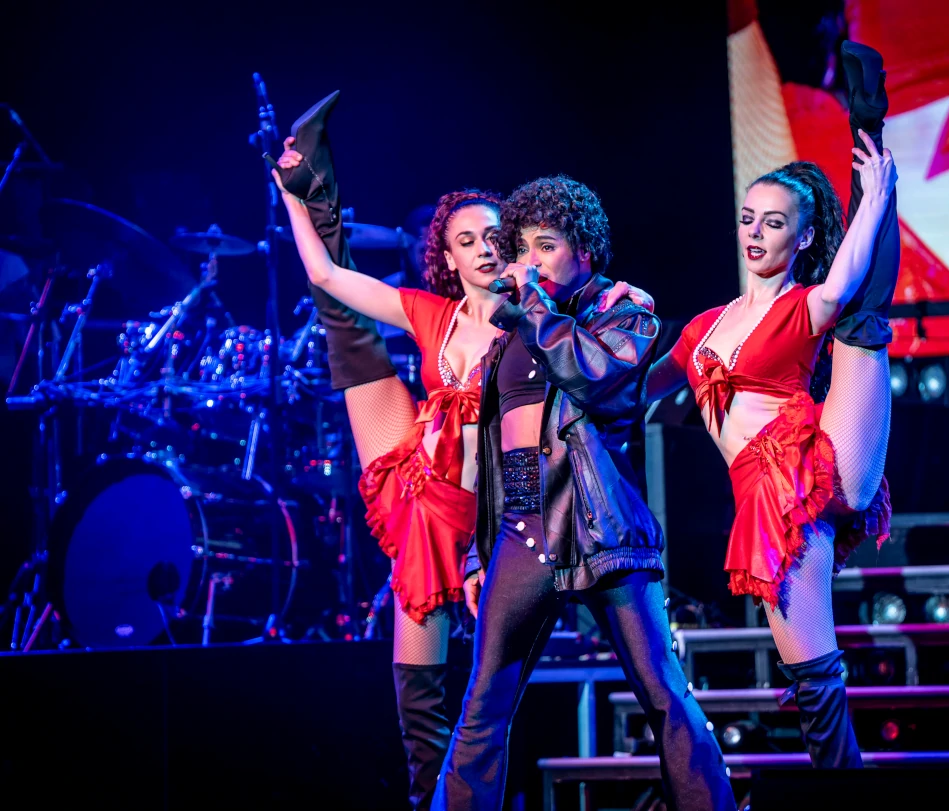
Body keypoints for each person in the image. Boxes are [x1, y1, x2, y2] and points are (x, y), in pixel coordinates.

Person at [272, 93, 654, 808]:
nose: (482, 247)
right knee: (423, 691)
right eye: (466, 239)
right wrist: (291, 200)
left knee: (489, 698)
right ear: (445, 258)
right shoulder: (434, 313)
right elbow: (328, 277)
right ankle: (430, 799)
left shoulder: (538, 319)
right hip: (431, 494)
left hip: (502, 513)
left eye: (492, 236)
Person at [434, 175, 735, 811]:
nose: (528, 260)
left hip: (602, 531)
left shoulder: (624, 308)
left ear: (585, 251)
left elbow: (598, 381)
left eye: (545, 246)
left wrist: (537, 310)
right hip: (524, 530)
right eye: (523, 247)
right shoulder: (511, 333)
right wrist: (479, 550)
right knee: (483, 706)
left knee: (665, 697)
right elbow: (505, 448)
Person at [642, 41, 898, 768]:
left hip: (809, 470)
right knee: (811, 677)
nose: (755, 232)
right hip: (761, 485)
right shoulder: (703, 327)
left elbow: (843, 286)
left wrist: (874, 197)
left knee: (862, 319)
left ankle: (868, 121)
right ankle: (843, 784)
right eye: (749, 218)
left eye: (775, 223)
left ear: (805, 236)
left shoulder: (798, 305)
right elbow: (635, 387)